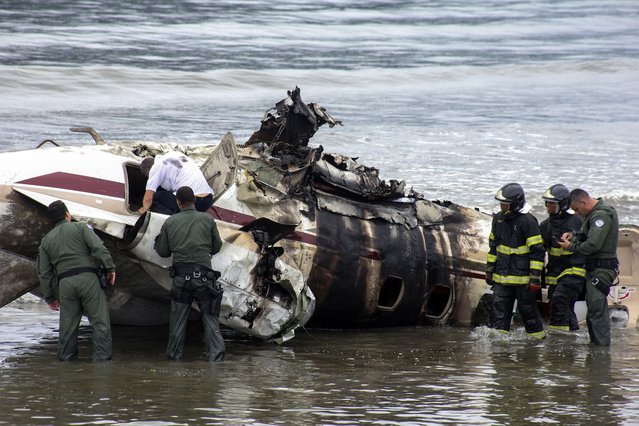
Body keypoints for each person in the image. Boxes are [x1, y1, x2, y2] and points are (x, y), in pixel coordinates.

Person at [36, 200, 117, 362]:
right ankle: (102, 363)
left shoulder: (46, 241)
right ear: (68, 214)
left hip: (65, 284)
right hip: (88, 280)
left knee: (68, 327)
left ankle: (66, 363)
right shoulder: (80, 227)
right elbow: (98, 248)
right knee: (100, 322)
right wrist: (110, 267)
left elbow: (44, 273)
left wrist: (50, 297)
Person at [154, 186, 225, 361]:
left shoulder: (170, 222)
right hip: (204, 279)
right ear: (194, 200)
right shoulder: (207, 219)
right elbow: (217, 246)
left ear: (178, 202)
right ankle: (216, 361)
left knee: (177, 322)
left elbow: (163, 252)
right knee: (210, 319)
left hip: (181, 279)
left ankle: (173, 360)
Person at [558, 189, 619, 346]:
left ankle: (601, 353)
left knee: (596, 312)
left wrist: (571, 247)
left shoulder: (601, 215)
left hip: (602, 269)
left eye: (577, 209)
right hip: (595, 268)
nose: (577, 214)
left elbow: (593, 244)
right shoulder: (593, 214)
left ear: (584, 202)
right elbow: (588, 235)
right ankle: (597, 347)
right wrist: (575, 236)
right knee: (593, 310)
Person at [486, 183, 546, 339]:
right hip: (501, 278)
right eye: (501, 203)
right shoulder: (498, 219)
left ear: (515, 204)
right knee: (498, 314)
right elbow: (493, 247)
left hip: (523, 281)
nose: (501, 206)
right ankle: (499, 349)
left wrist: (534, 278)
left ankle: (536, 345)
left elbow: (537, 252)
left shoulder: (528, 221)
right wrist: (490, 269)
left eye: (505, 203)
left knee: (529, 313)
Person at [539, 184, 586, 332]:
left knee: (559, 302)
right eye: (547, 203)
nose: (548, 207)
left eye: (552, 203)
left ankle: (558, 340)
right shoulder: (545, 225)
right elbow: (539, 251)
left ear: (562, 204)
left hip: (574, 273)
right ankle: (572, 336)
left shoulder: (577, 221)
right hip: (555, 276)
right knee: (565, 307)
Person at [139, 151, 214, 215]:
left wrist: (144, 210)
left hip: (193, 203)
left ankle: (175, 217)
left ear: (149, 171)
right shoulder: (171, 155)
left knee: (155, 197)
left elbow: (148, 198)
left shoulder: (155, 169)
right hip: (207, 200)